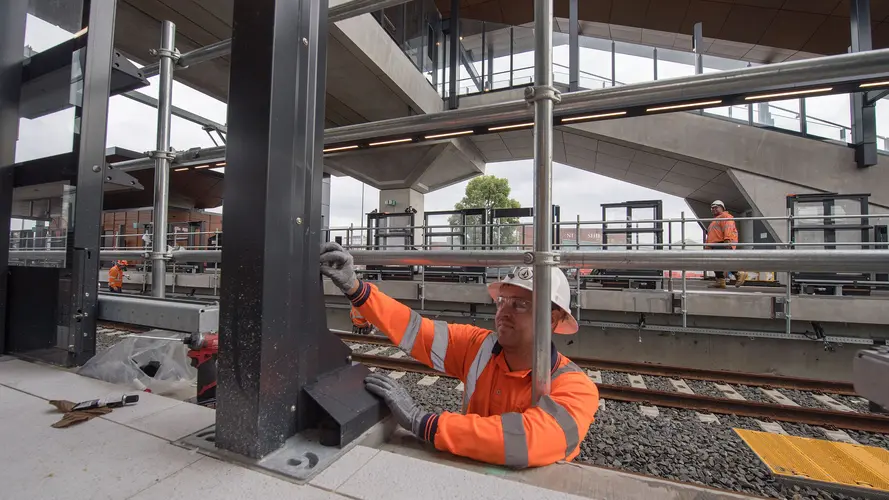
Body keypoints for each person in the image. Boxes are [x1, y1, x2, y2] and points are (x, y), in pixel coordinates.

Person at [320, 242, 599, 468]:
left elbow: (530, 440)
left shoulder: (576, 388)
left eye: (521, 304)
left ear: (552, 319)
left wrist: (424, 422)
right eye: (502, 301)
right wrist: (356, 289)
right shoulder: (478, 347)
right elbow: (415, 330)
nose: (503, 312)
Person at [706, 200, 747, 289]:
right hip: (715, 244)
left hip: (722, 243)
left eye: (716, 207)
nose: (713, 209)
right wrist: (708, 247)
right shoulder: (714, 221)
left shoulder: (725, 216)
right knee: (715, 263)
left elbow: (728, 228)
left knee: (724, 261)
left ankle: (739, 273)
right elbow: (710, 235)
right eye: (712, 208)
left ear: (722, 208)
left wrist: (727, 240)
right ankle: (720, 281)